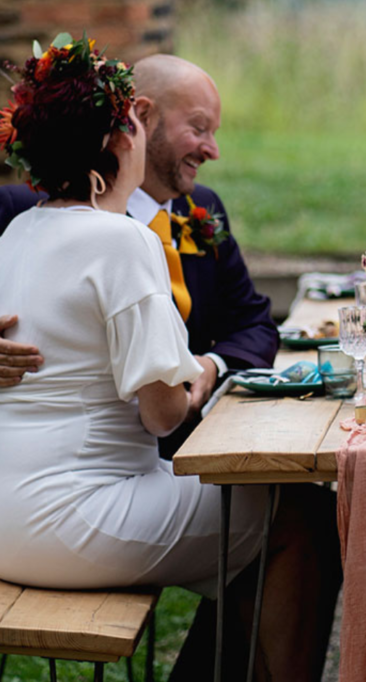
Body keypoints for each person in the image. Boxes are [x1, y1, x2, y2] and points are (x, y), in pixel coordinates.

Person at [0, 36, 338, 682]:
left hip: (7, 511)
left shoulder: (19, 235)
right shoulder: (121, 240)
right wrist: (204, 373)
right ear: (123, 140)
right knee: (297, 513)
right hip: (72, 520)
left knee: (251, 510)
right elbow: (163, 411)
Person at [0, 53, 279, 438]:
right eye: (199, 128)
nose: (212, 150)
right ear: (143, 117)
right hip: (88, 448)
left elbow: (254, 322)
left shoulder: (203, 207)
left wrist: (212, 364)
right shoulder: (26, 212)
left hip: (196, 434)